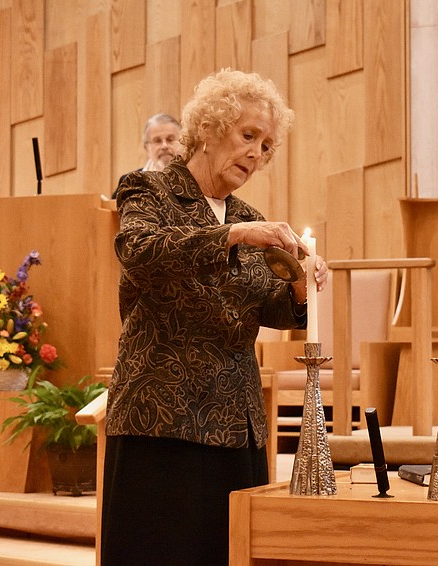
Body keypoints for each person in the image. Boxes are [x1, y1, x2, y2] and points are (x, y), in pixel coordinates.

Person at [101, 69, 328, 565]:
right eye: (249, 135)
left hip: (234, 422)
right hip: (161, 419)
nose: (257, 153)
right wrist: (232, 238)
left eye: (267, 145)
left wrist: (297, 281)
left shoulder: (247, 216)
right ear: (208, 128)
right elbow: (140, 251)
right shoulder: (149, 189)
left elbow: (271, 308)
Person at [112, 113, 182, 199]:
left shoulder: (194, 179)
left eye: (170, 140)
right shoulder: (129, 183)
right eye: (157, 141)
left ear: (182, 142)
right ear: (146, 148)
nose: (164, 146)